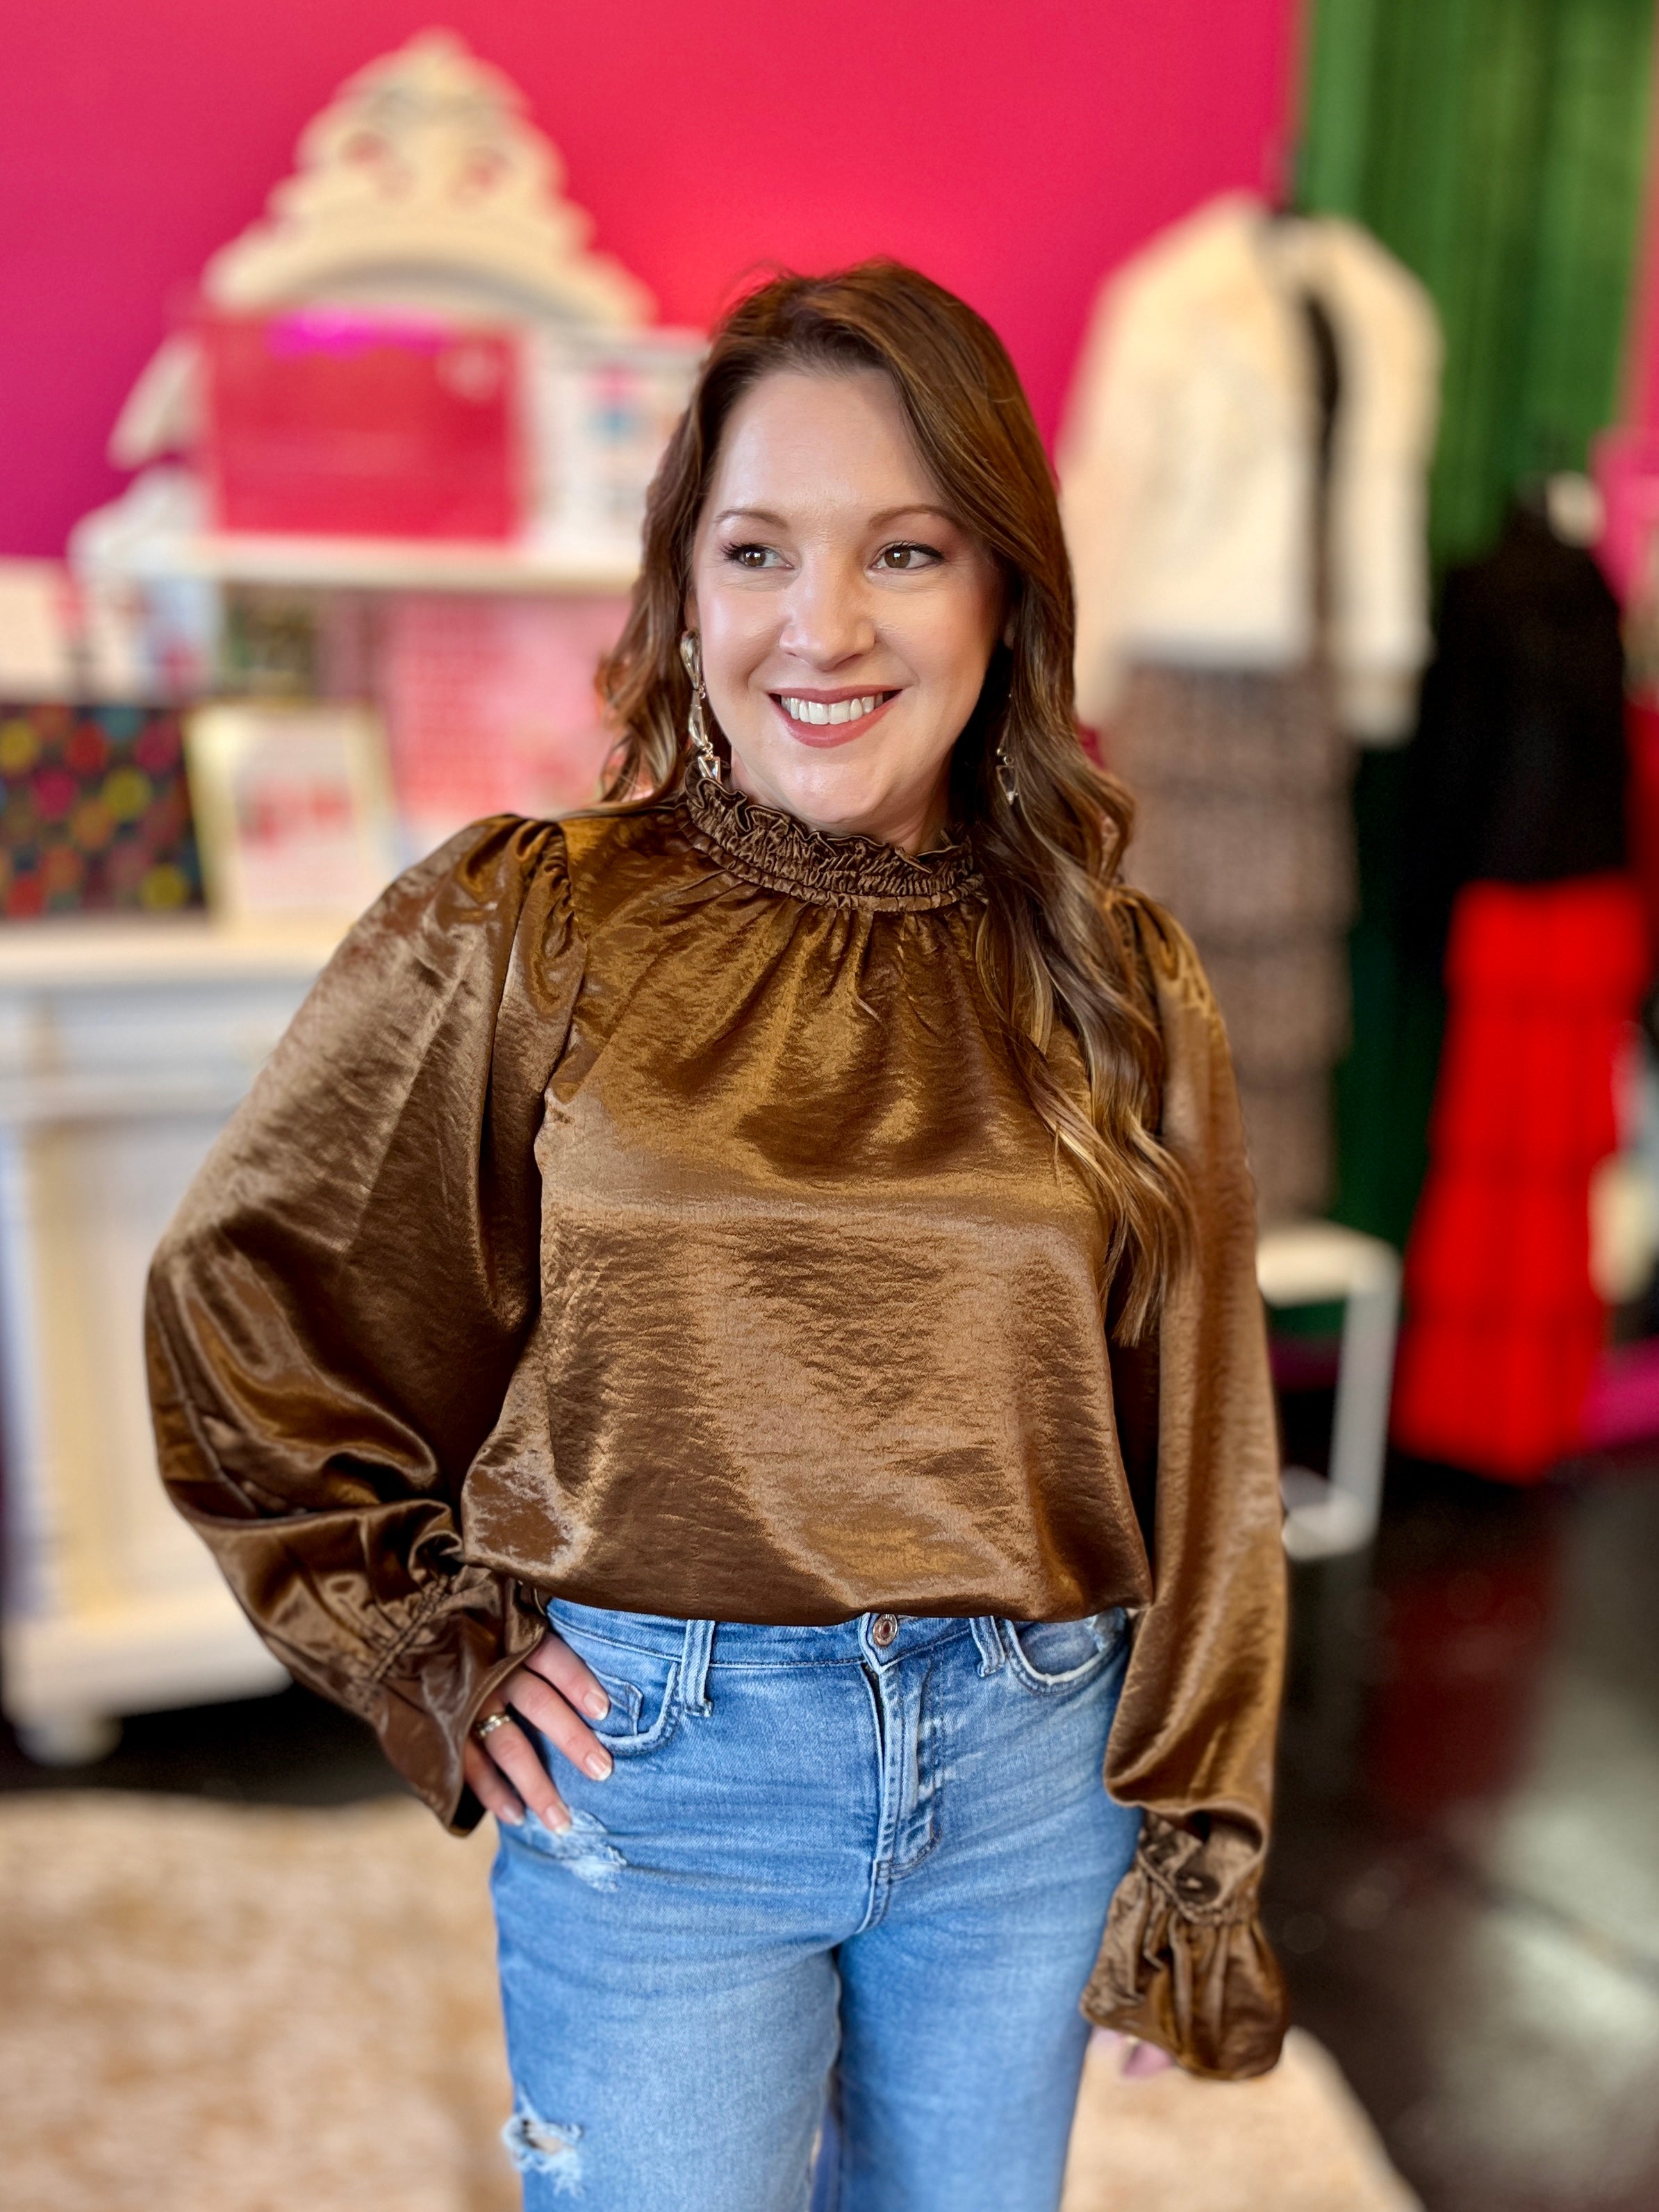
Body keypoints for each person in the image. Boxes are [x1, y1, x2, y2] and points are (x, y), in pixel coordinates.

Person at [146, 263, 1287, 2212]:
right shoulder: (530, 923)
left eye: (905, 551)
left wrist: (1197, 1835)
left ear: (1004, 592)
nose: (820, 627)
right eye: (757, 551)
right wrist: (419, 1632)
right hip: (660, 1777)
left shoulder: (1116, 973)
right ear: (685, 587)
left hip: (1032, 1775)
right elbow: (248, 1297)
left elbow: (1203, 1438)